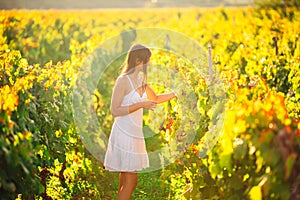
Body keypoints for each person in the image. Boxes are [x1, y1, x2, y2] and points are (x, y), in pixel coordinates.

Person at [104, 43, 176, 200]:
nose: (149, 64)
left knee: (125, 178)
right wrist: (141, 104)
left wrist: (175, 93)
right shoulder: (122, 81)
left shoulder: (140, 81)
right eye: (147, 61)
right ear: (138, 61)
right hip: (124, 134)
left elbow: (155, 98)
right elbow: (115, 110)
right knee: (131, 181)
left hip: (134, 134)